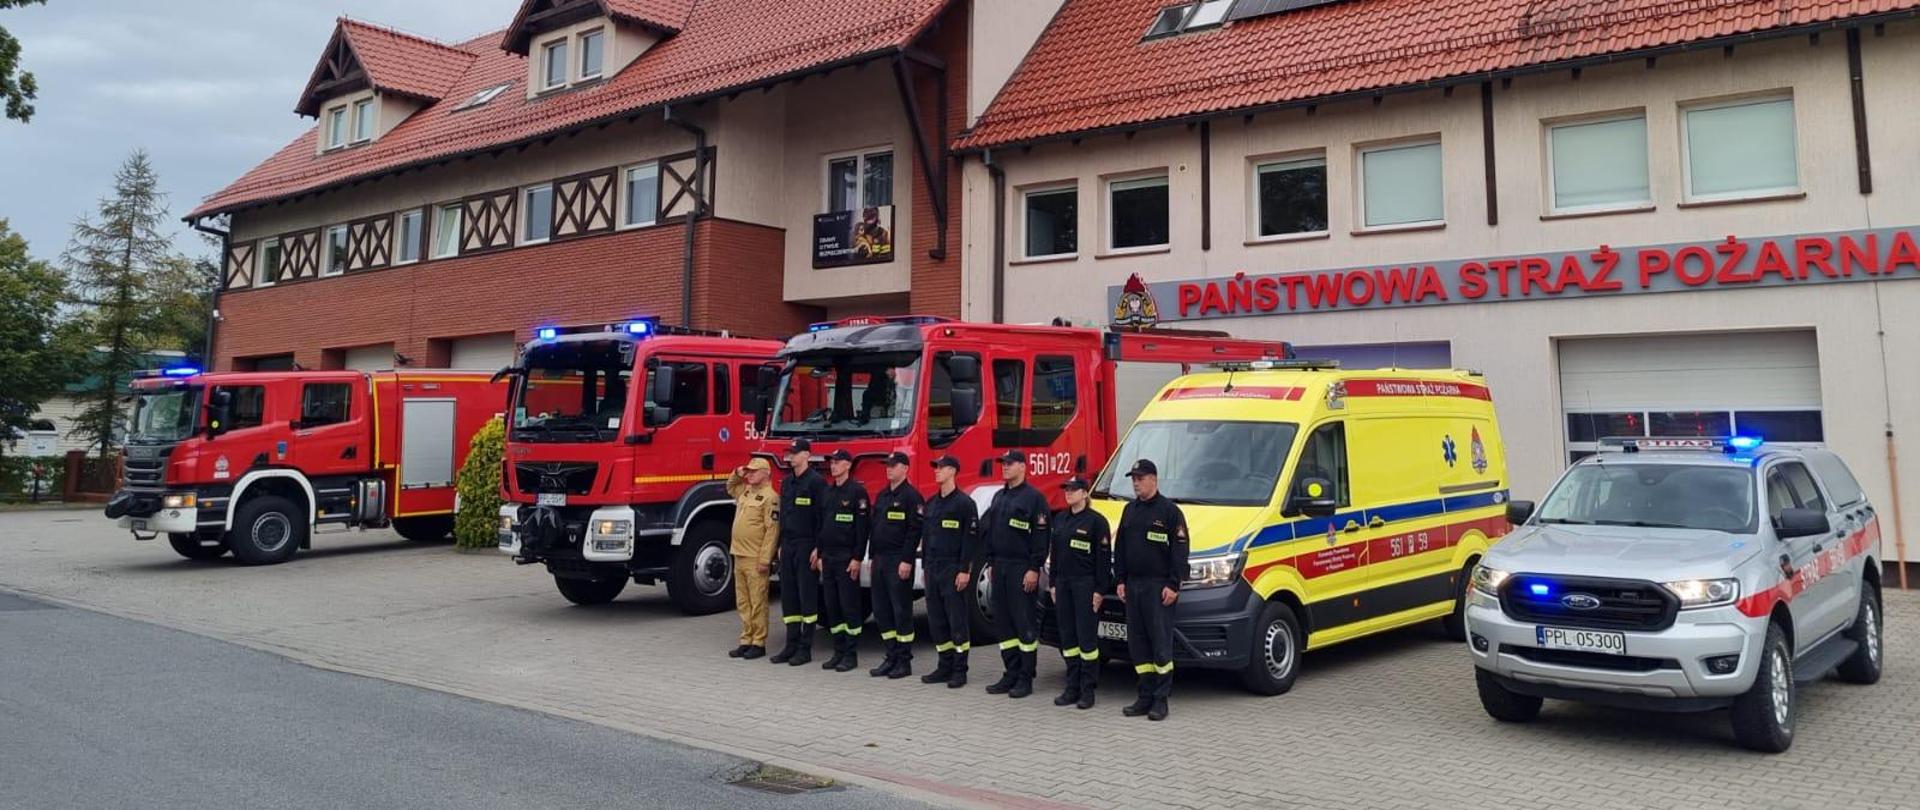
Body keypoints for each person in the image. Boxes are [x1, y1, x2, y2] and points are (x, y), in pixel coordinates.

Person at [1114, 459, 1188, 721]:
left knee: (1160, 644)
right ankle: (1144, 696)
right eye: (1133, 478)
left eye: (1140, 478)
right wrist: (1120, 580)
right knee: (1138, 644)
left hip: (1158, 587)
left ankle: (1161, 699)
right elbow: (1120, 548)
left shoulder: (1169, 512)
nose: (1135, 482)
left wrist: (1173, 584)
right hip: (1134, 586)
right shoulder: (1129, 510)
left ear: (1153, 480)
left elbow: (1180, 552)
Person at [978, 450, 1050, 699]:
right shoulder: (999, 497)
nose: (1005, 467)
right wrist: (990, 562)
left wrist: (1033, 567)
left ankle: (1025, 677)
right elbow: (989, 531)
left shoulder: (1034, 499)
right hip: (1000, 567)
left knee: (1024, 623)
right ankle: (1010, 672)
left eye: (1009, 464)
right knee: (1004, 623)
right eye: (1003, 464)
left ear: (1023, 467)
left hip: (1022, 568)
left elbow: (1041, 537)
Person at [1047, 475, 1111, 709]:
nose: (1068, 493)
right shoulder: (1061, 519)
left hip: (1085, 585)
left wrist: (1099, 591)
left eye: (1074, 490)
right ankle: (1071, 686)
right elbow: (1054, 554)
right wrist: (1053, 583)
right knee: (1068, 639)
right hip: (1063, 585)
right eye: (1066, 489)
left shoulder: (1096, 522)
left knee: (1087, 641)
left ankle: (1088, 689)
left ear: (1085, 493)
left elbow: (1103, 561)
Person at [917, 455, 979, 688]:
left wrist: (965, 569)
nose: (937, 471)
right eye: (936, 468)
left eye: (941, 468)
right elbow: (926, 537)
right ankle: (944, 665)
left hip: (953, 568)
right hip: (933, 568)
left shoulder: (964, 504)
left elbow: (970, 539)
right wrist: (924, 567)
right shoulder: (932, 503)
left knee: (956, 620)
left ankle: (960, 669)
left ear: (953, 471)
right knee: (936, 620)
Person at [770, 439, 827, 667]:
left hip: (807, 545)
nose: (790, 457)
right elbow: (784, 515)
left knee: (807, 596)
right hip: (789, 544)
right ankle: (790, 644)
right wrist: (782, 544)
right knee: (789, 596)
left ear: (806, 455)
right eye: (789, 453)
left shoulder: (816, 483)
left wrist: (818, 548)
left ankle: (805, 647)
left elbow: (822, 519)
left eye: (794, 453)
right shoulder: (787, 483)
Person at [868, 451, 924, 679]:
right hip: (880, 559)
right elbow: (875, 528)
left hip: (898, 560)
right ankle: (890, 656)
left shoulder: (912, 497)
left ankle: (904, 660)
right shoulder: (882, 496)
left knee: (901, 610)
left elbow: (914, 531)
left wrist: (907, 560)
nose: (888, 469)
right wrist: (872, 557)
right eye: (887, 465)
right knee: (882, 611)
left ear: (905, 469)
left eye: (893, 465)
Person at [817, 449, 871, 673]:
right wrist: (819, 553)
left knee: (849, 606)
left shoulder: (857, 492)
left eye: (838, 462)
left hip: (846, 558)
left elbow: (862, 529)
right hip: (828, 558)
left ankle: (851, 654)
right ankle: (837, 651)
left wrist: (857, 558)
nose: (833, 466)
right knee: (832, 607)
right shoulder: (828, 492)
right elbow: (821, 525)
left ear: (848, 465)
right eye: (832, 463)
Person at [725, 457, 779, 660]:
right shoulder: (746, 492)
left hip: (755, 557)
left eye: (754, 471)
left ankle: (758, 641)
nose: (750, 474)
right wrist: (737, 471)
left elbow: (771, 531)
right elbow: (730, 486)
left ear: (766, 473)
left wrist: (765, 558)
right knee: (743, 601)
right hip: (738, 554)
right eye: (748, 471)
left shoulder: (770, 497)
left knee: (758, 601)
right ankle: (746, 639)